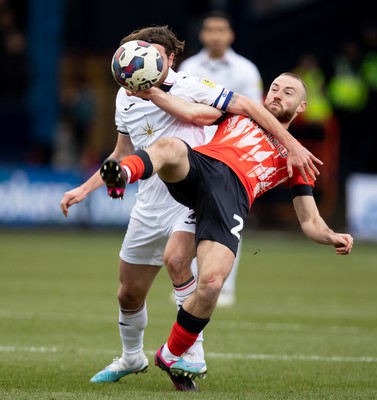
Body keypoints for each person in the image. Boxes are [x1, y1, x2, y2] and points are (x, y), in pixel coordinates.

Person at [60, 25, 320, 392]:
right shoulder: (124, 97)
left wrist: (156, 95)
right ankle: (132, 357)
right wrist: (86, 188)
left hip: (192, 191)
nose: (138, 62)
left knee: (179, 262)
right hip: (148, 199)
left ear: (167, 59)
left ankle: (188, 357)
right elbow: (120, 154)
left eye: (148, 53)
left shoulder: (190, 84)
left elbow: (206, 116)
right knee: (128, 293)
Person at [100, 72, 353, 388]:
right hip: (201, 168)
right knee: (171, 147)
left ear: (301, 107)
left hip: (230, 199)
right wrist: (154, 94)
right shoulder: (236, 113)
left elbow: (310, 221)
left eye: (287, 92)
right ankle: (123, 172)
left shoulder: (297, 156)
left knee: (210, 282)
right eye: (274, 88)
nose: (277, 94)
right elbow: (193, 112)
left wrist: (331, 235)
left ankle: (173, 354)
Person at [178, 10, 264, 307]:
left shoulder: (246, 70)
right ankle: (191, 283)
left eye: (221, 30)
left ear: (230, 35)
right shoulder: (189, 66)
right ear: (202, 34)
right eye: (210, 29)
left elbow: (255, 112)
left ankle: (224, 286)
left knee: (230, 221)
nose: (215, 35)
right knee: (191, 217)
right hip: (196, 149)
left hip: (232, 155)